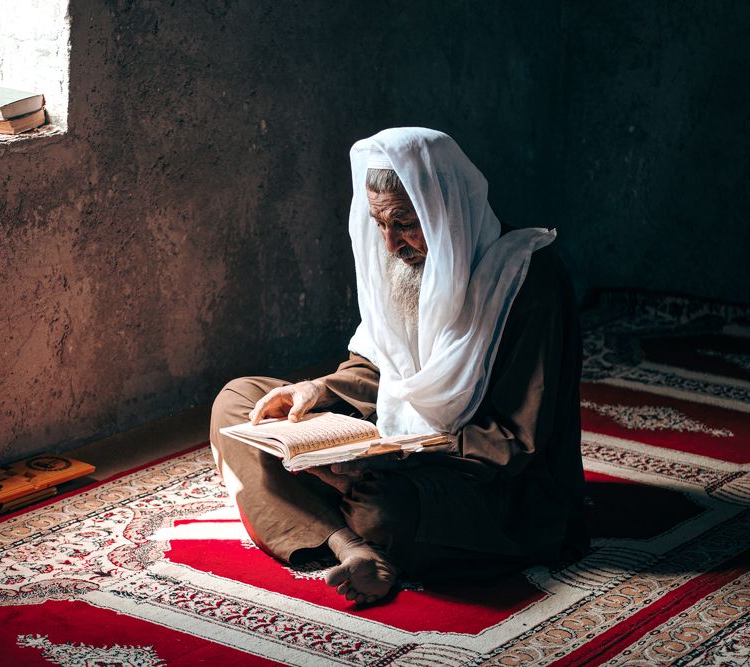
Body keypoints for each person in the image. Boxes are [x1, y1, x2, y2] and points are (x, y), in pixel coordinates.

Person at [209, 128, 587, 605]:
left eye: (404, 223)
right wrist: (317, 391)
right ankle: (350, 546)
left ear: (445, 210)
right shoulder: (403, 261)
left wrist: (388, 462)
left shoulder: (526, 278)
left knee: (382, 509)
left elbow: (514, 440)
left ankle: (341, 518)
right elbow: (380, 370)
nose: (391, 245)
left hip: (482, 476)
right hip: (389, 445)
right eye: (379, 225)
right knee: (239, 401)